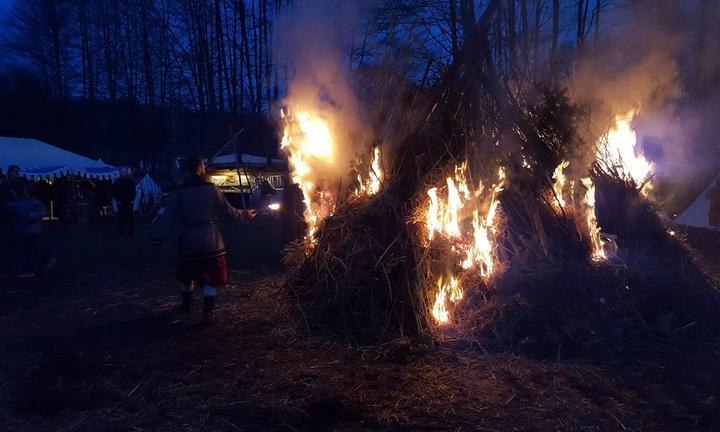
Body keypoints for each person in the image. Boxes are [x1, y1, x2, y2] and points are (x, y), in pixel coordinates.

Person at [152, 156, 257, 324]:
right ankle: (207, 313)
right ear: (200, 169)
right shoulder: (211, 189)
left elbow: (168, 217)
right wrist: (245, 214)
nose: (204, 168)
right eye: (202, 166)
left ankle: (186, 306)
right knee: (211, 277)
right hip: (211, 241)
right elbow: (228, 211)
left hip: (189, 241)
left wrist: (158, 238)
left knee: (187, 275)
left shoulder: (179, 193)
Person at [112, 168, 137, 237]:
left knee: (129, 217)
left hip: (128, 201)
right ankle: (122, 232)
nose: (124, 172)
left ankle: (130, 232)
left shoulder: (130, 181)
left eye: (125, 171)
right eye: (122, 171)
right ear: (120, 172)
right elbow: (115, 192)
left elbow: (133, 191)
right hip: (120, 202)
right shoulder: (117, 181)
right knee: (121, 218)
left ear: (126, 172)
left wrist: (132, 199)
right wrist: (118, 200)